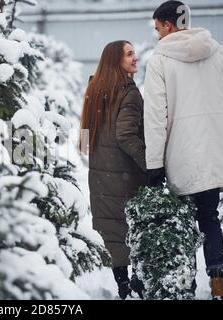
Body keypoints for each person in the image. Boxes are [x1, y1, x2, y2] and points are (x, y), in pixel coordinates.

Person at [143, 1, 223, 300]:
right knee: (209, 217)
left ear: (169, 25)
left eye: (157, 28)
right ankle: (217, 282)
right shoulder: (222, 54)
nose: (157, 35)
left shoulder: (159, 61)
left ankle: (184, 284)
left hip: (180, 157)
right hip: (214, 154)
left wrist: (154, 164)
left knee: (182, 222)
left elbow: (155, 117)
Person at [80, 41, 147, 299]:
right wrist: (150, 166)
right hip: (127, 174)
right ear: (115, 61)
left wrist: (100, 159)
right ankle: (136, 285)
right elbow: (127, 135)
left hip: (100, 176)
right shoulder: (129, 92)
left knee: (114, 233)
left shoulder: (94, 90)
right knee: (135, 230)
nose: (135, 58)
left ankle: (123, 288)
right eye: (129, 54)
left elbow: (85, 139)